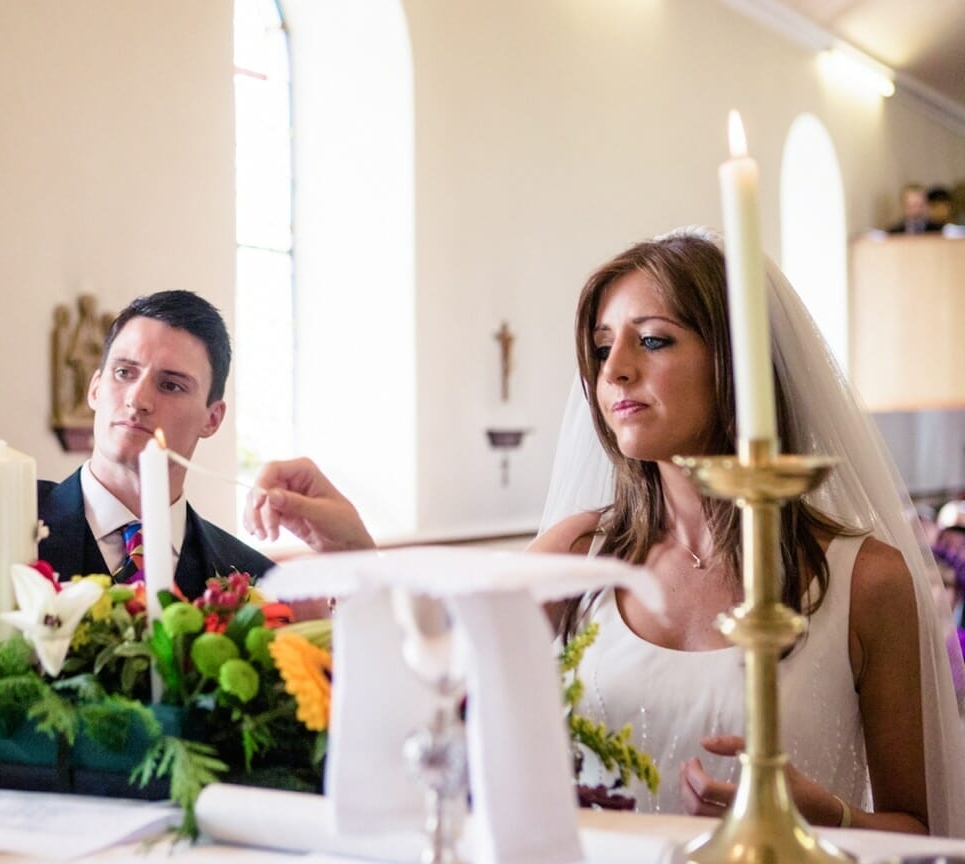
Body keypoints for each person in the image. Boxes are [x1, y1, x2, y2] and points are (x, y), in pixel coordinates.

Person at [245, 229, 965, 837]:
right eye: (599, 347)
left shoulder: (863, 581)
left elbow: (923, 834)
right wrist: (352, 549)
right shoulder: (576, 556)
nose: (613, 371)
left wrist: (822, 815)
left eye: (653, 341)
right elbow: (440, 689)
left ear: (737, 363)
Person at [0, 290, 273, 600]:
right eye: (124, 372)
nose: (137, 399)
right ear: (95, 388)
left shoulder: (257, 582)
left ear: (212, 418)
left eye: (171, 385)